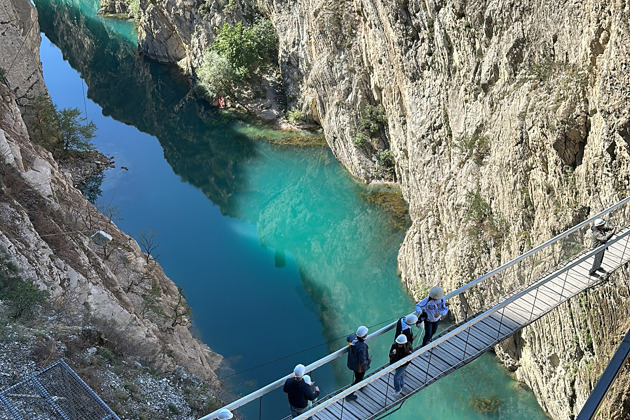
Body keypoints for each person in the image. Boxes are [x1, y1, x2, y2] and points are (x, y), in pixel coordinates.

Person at [345, 325, 371, 401]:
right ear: (363, 337)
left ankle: (361, 385)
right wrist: (369, 361)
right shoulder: (362, 346)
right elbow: (362, 361)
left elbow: (348, 338)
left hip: (352, 363)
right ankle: (349, 395)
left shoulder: (352, 338)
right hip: (359, 367)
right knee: (358, 380)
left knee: (358, 376)